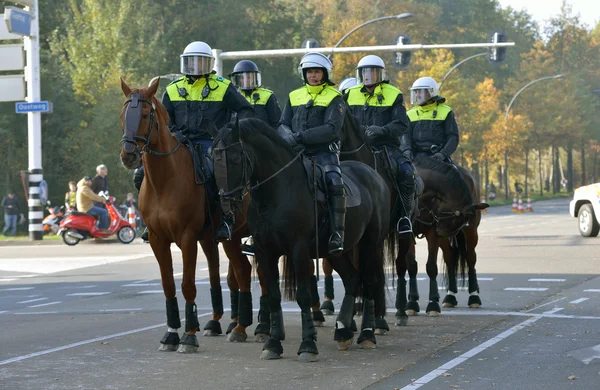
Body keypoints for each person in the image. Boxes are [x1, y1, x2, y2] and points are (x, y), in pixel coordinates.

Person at [132, 41, 255, 242]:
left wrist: (229, 131)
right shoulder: (173, 89)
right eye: (192, 62)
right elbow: (165, 119)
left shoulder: (223, 86)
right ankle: (151, 221)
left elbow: (246, 111)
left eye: (201, 62)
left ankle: (226, 219)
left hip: (212, 143)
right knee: (140, 174)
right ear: (185, 64)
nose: (196, 67)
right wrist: (171, 135)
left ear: (209, 64)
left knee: (220, 171)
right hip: (180, 143)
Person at [278, 52, 346, 253]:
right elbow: (282, 123)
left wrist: (300, 137)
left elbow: (332, 129)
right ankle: (262, 233)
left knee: (335, 181)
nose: (313, 76)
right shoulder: (293, 96)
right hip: (295, 154)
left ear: (325, 74)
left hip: (323, 154)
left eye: (317, 72)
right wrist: (288, 135)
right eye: (309, 72)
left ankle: (337, 233)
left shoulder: (335, 97)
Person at [344, 55, 414, 234]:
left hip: (386, 147)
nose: (368, 75)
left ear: (381, 73)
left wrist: (381, 130)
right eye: (365, 72)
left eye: (373, 71)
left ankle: (404, 217)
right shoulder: (349, 94)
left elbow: (402, 124)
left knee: (406, 172)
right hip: (356, 147)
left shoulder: (394, 94)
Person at [401, 77, 459, 163]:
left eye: (420, 92)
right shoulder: (409, 114)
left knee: (456, 175)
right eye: (416, 92)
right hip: (415, 158)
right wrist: (407, 151)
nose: (417, 95)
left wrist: (443, 154)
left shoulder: (446, 111)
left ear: (430, 92)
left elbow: (453, 137)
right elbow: (405, 136)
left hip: (439, 157)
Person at [229, 60, 281, 129]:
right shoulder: (233, 96)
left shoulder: (267, 95)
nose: (246, 80)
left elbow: (276, 122)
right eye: (242, 78)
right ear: (237, 79)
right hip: (239, 136)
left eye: (249, 77)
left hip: (263, 135)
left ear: (255, 78)